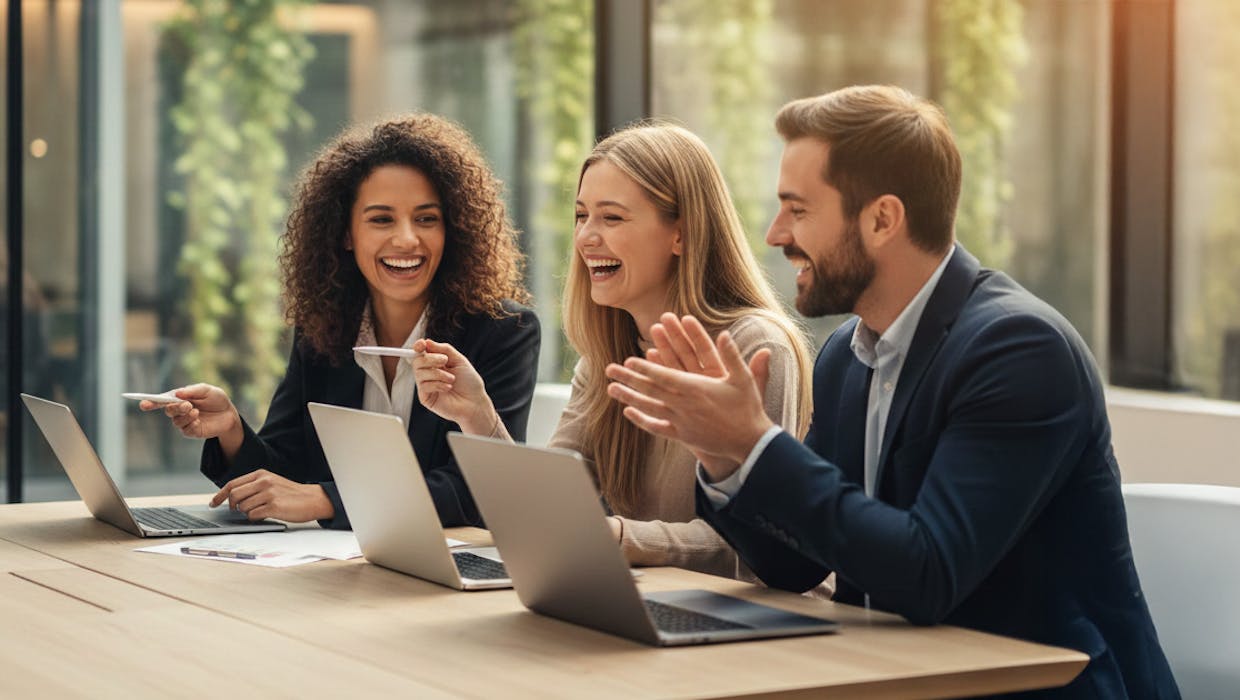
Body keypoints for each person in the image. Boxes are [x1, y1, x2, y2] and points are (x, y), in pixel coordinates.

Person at [604, 86, 1178, 697]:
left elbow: (927, 574)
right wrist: (725, 458)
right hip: (892, 676)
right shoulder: (847, 356)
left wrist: (757, 446)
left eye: (798, 210)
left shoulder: (1018, 350)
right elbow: (793, 566)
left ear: (882, 219)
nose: (775, 234)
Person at [410, 123, 814, 580]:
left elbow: (762, 547)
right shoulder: (605, 359)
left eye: (612, 217)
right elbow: (545, 511)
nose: (585, 238)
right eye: (581, 216)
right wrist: (479, 417)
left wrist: (619, 538)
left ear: (680, 233)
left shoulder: (754, 347)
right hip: (657, 602)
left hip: (756, 621)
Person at [146, 114, 539, 530]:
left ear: (452, 229)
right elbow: (286, 473)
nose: (406, 239)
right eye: (381, 219)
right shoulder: (325, 328)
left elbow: (473, 490)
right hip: (341, 567)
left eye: (426, 218)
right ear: (346, 233)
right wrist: (229, 429)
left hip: (442, 571)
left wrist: (326, 499)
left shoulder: (504, 332)